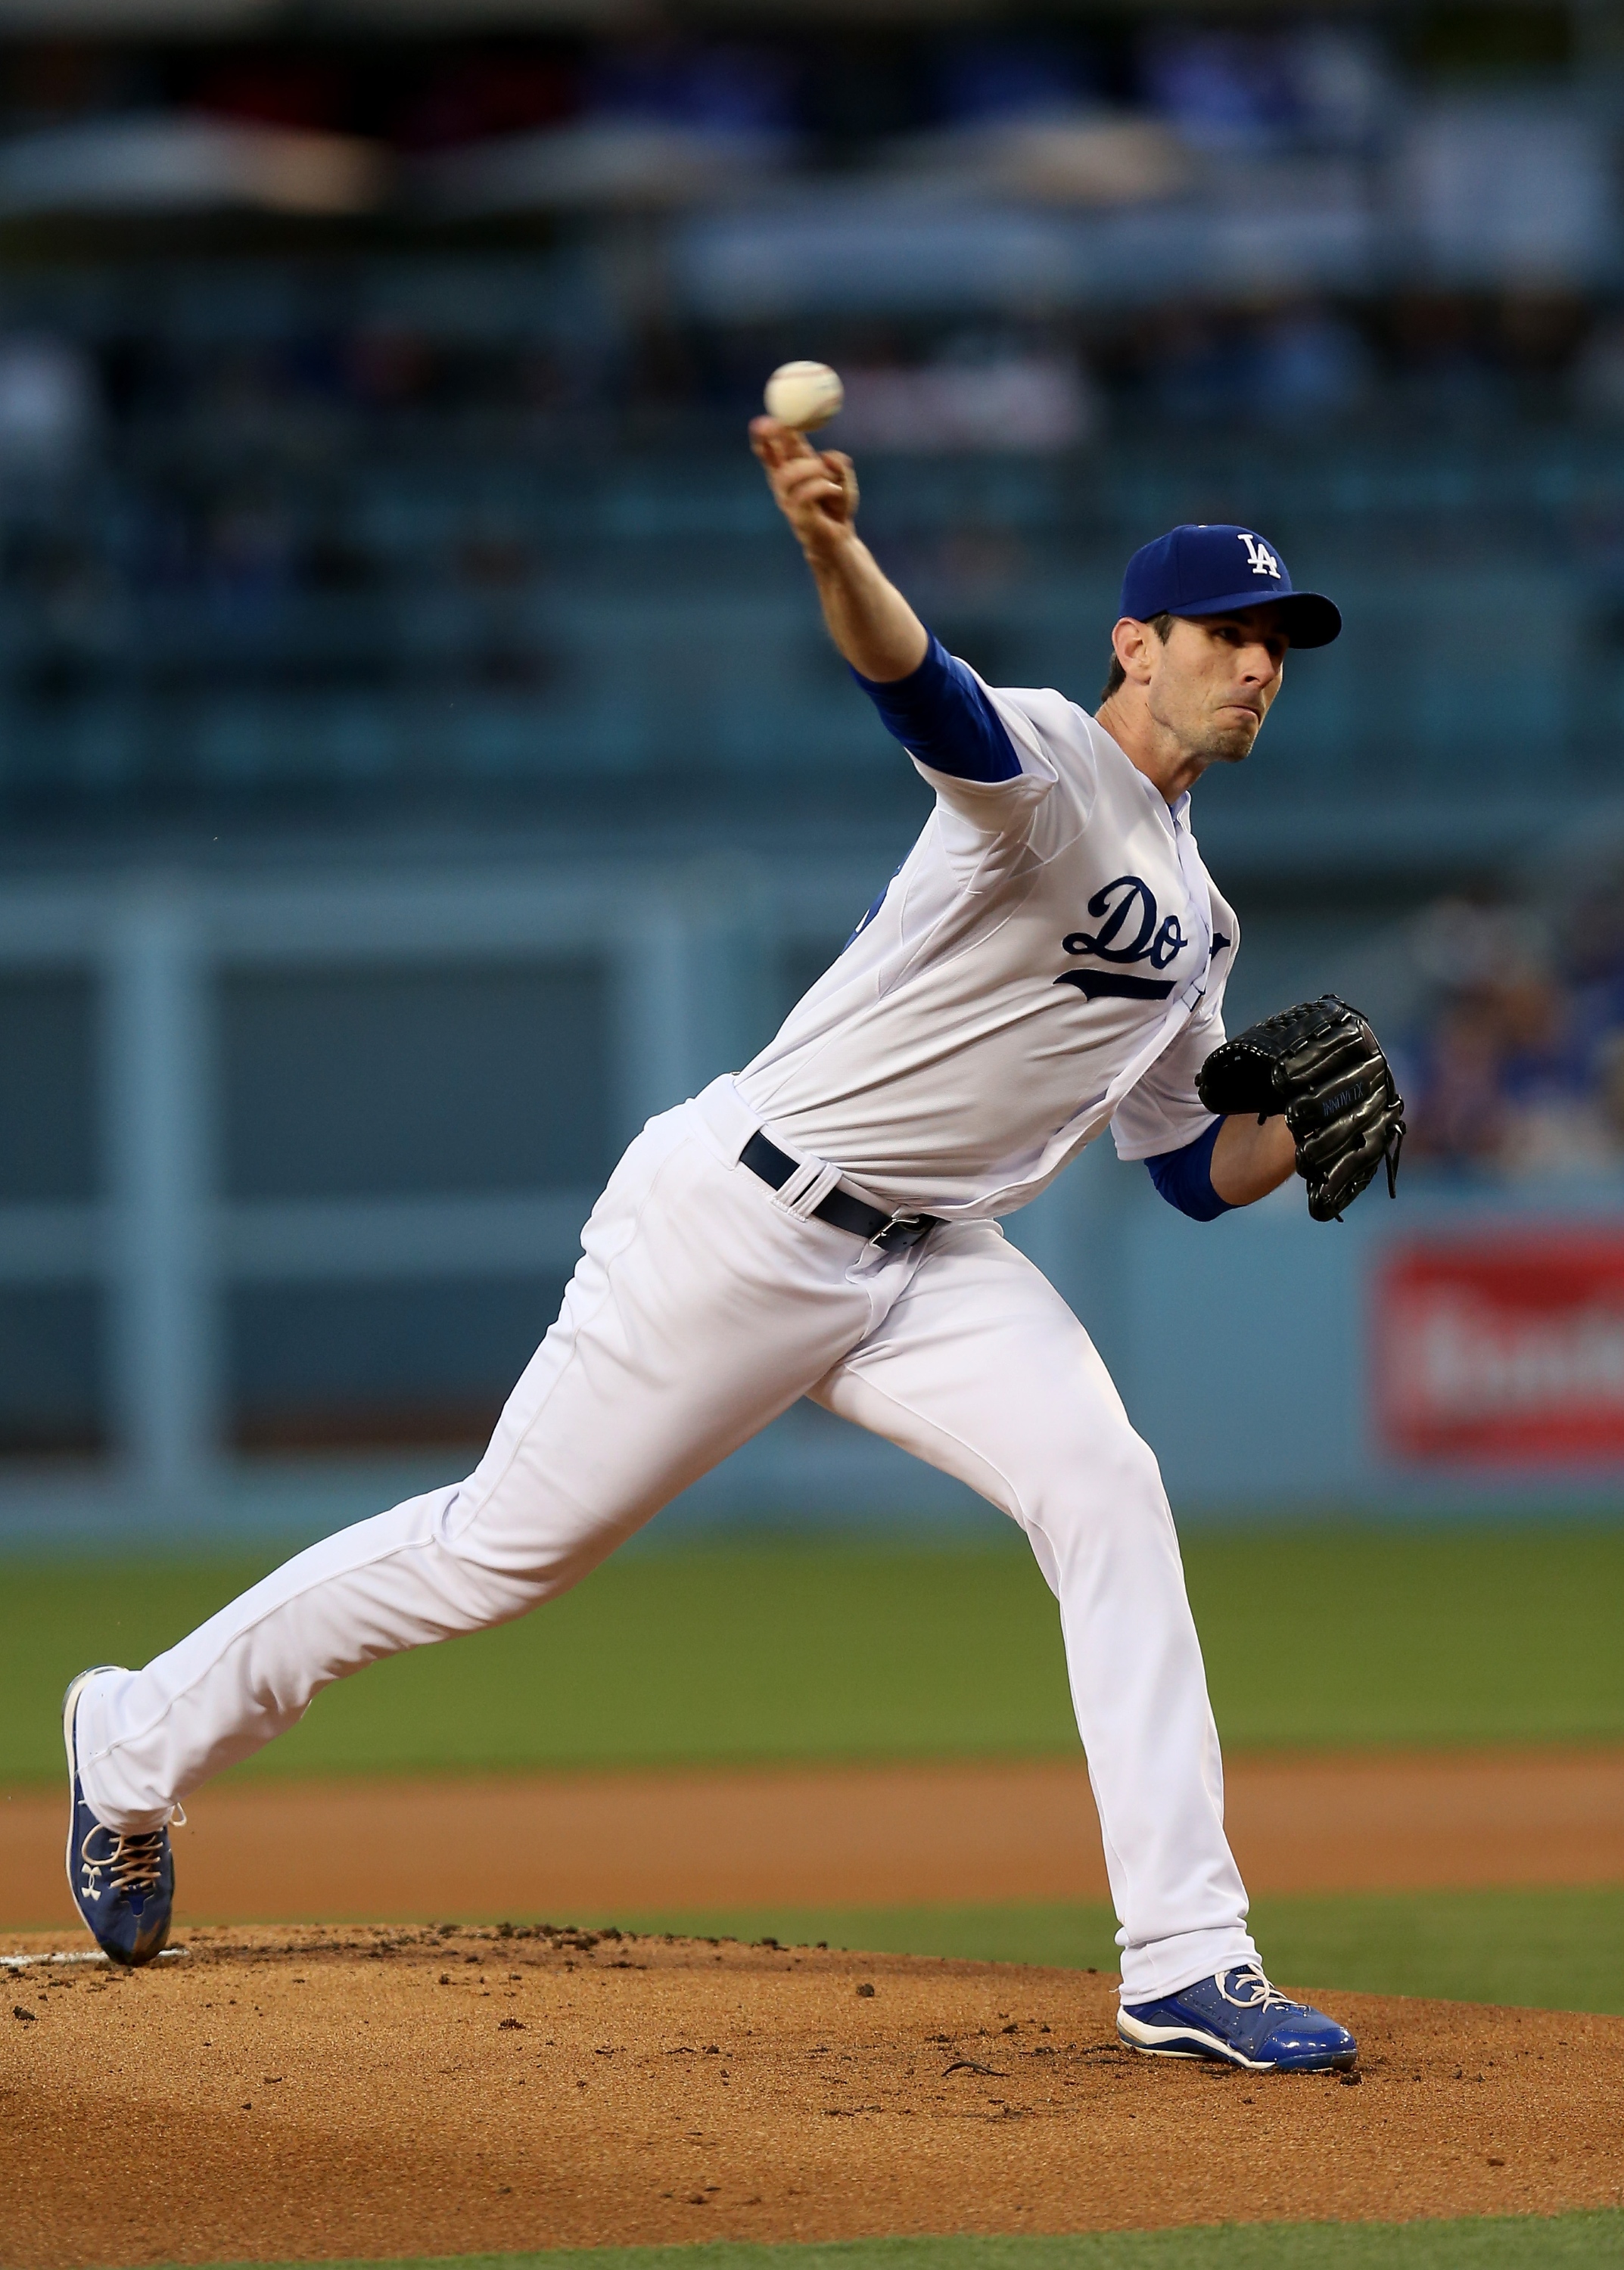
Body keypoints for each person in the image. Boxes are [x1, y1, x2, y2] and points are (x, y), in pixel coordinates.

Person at [65, 417, 1357, 2075]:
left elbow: (1182, 1166)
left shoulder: (1201, 915)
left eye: (1274, 646)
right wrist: (832, 550)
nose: (1255, 667)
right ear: (1134, 645)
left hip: (929, 1263)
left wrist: (1296, 1131)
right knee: (496, 1554)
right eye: (1224, 636)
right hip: (743, 1217)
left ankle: (1185, 1956)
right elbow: (920, 694)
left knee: (1105, 1486)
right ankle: (130, 1738)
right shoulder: (1047, 767)